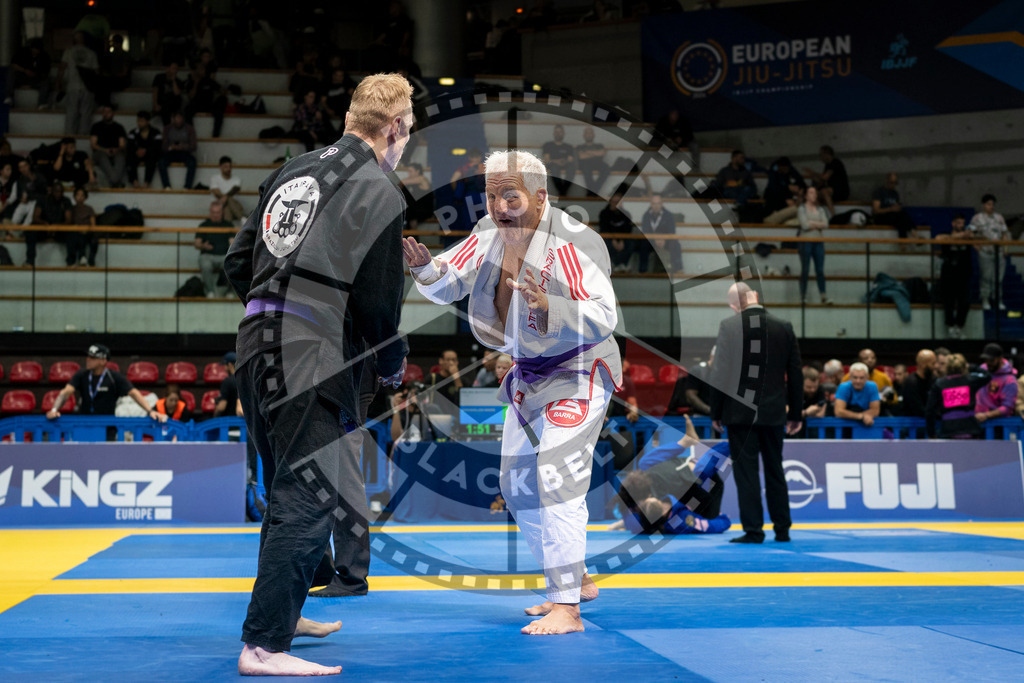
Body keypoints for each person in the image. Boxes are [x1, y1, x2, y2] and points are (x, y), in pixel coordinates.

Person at [223, 73, 412, 676]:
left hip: (256, 339)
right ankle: (263, 645)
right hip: (311, 350)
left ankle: (287, 611)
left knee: (285, 488)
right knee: (309, 493)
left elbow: (236, 261)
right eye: (408, 131)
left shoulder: (292, 169)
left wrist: (272, 310)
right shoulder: (378, 186)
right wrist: (389, 364)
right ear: (395, 128)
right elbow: (381, 303)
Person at [403, 148, 621, 635]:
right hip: (527, 376)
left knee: (556, 477)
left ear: (540, 197)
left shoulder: (575, 242)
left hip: (579, 368)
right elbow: (447, 280)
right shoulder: (487, 235)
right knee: (517, 487)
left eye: (510, 196)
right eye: (491, 194)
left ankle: (567, 606)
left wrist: (553, 309)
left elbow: (605, 314)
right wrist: (423, 269)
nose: (499, 206)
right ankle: (575, 578)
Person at [710, 282, 802, 544]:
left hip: (740, 414)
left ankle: (753, 530)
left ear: (734, 305)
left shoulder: (730, 326)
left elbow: (720, 373)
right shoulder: (783, 326)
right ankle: (782, 529)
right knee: (775, 469)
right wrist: (796, 413)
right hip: (774, 412)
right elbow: (795, 373)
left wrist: (715, 411)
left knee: (747, 472)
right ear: (756, 297)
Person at [611, 415, 730, 535]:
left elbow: (632, 516)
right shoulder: (678, 520)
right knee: (700, 470)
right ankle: (732, 445)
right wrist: (723, 519)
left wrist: (622, 523)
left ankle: (685, 442)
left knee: (644, 464)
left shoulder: (630, 506)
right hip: (701, 502)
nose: (651, 500)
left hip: (684, 490)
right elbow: (710, 526)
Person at [46, 344, 168, 422]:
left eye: (93, 358)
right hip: (85, 423)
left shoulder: (113, 377)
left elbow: (134, 393)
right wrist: (54, 409)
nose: (88, 360)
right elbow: (65, 392)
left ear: (103, 361)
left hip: (107, 425)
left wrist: (150, 411)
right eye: (88, 356)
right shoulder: (82, 375)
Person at [926, 353, 991, 438]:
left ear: (947, 367)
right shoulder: (970, 381)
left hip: (948, 429)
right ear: (963, 366)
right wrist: (971, 367)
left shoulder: (939, 384)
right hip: (970, 428)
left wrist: (931, 433)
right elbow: (987, 376)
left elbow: (930, 410)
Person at [969, 194, 1010, 311]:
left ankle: (998, 299)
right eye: (988, 204)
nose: (991, 206)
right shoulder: (977, 218)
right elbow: (971, 233)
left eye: (992, 204)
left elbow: (1004, 234)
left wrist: (1006, 248)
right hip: (985, 252)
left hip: (999, 252)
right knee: (986, 277)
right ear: (983, 205)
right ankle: (985, 299)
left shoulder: (999, 217)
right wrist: (976, 246)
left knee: (998, 278)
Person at [937, 213, 975, 337]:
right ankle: (950, 326)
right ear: (953, 223)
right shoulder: (947, 234)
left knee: (965, 301)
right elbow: (939, 238)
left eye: (963, 223)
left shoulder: (968, 235)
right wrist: (960, 235)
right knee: (949, 301)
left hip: (964, 272)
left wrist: (967, 236)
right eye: (958, 223)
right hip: (949, 272)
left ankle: (959, 326)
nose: (961, 226)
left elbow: (980, 239)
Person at [57, 31, 99, 135]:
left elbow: (62, 68)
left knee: (71, 112)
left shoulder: (69, 52)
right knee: (86, 114)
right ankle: (83, 137)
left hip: (72, 86)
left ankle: (69, 137)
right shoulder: (91, 53)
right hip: (87, 87)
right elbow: (96, 72)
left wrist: (59, 82)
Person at [797, 186, 832, 305]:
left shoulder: (820, 209)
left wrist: (812, 222)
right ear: (806, 195)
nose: (814, 195)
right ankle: (803, 296)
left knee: (820, 270)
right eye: (811, 193)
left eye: (815, 193)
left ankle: (823, 295)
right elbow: (804, 225)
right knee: (805, 269)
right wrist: (818, 224)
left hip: (818, 241)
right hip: (805, 241)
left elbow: (826, 224)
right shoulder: (802, 209)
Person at [195, 201, 237, 297]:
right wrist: (203, 246)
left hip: (224, 255)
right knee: (205, 265)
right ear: (210, 212)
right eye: (213, 212)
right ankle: (210, 291)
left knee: (232, 263)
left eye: (217, 212)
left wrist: (232, 245)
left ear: (222, 212)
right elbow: (197, 243)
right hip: (208, 255)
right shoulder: (204, 225)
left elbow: (232, 242)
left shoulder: (228, 225)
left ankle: (229, 292)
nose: (215, 215)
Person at [29, 181, 73, 267]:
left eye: (61, 192)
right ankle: (30, 261)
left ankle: (70, 262)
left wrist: (57, 226)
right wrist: (45, 224)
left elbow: (69, 220)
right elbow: (35, 217)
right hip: (44, 228)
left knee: (72, 234)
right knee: (30, 232)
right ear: (52, 191)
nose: (58, 194)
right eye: (56, 191)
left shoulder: (66, 201)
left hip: (59, 230)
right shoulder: (43, 200)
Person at [974, 343, 1018, 424]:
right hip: (978, 423)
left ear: (1000, 358)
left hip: (998, 426)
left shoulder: (1009, 380)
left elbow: (1007, 408)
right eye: (986, 360)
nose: (988, 363)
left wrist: (986, 415)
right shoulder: (981, 371)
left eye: (991, 360)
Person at [639, 194, 680, 274]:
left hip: (666, 241)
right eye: (654, 203)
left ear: (661, 204)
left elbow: (672, 231)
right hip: (651, 241)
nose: (656, 206)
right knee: (643, 244)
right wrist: (654, 241)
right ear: (651, 204)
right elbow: (645, 232)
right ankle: (643, 270)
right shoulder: (646, 216)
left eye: (658, 203)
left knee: (675, 244)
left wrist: (664, 240)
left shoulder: (669, 215)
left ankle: (678, 269)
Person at [4, 38, 52, 108]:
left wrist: (34, 78)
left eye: (37, 50)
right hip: (22, 77)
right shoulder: (23, 52)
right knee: (11, 72)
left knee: (46, 81)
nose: (35, 51)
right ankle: (9, 96)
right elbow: (13, 64)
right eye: (34, 49)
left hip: (35, 80)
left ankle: (41, 102)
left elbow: (45, 73)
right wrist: (24, 70)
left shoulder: (44, 57)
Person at [89, 105, 128, 188]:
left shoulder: (119, 127)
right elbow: (93, 145)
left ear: (113, 113)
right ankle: (115, 181)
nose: (106, 114)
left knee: (121, 157)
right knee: (102, 156)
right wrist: (105, 150)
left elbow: (122, 145)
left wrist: (115, 150)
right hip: (100, 152)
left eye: (108, 112)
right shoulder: (96, 126)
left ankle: (114, 180)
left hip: (115, 152)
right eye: (104, 112)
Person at [186, 62, 227, 138]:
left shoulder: (209, 81)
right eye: (199, 69)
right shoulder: (191, 82)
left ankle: (215, 135)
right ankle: (191, 134)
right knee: (187, 110)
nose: (201, 71)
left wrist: (222, 91)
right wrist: (196, 83)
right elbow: (191, 96)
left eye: (202, 69)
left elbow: (221, 90)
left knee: (219, 112)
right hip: (196, 105)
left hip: (208, 105)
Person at [803, 145, 848, 215]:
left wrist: (813, 172)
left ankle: (833, 215)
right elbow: (821, 181)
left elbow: (825, 177)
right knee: (814, 195)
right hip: (832, 190)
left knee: (824, 192)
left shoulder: (835, 163)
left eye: (821, 155)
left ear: (826, 154)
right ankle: (818, 215)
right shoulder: (827, 165)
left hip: (840, 190)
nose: (820, 157)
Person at [871, 173, 918, 240]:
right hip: (881, 217)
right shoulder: (879, 192)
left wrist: (896, 208)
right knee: (901, 217)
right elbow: (876, 210)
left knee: (901, 218)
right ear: (887, 181)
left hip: (894, 216)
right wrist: (890, 209)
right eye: (891, 183)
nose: (893, 185)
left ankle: (903, 243)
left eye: (895, 183)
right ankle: (914, 235)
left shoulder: (895, 193)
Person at [833, 362, 881, 427]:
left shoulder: (872, 386)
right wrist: (860, 416)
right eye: (855, 377)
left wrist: (860, 416)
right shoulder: (843, 387)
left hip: (867, 424)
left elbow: (875, 411)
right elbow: (838, 412)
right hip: (846, 425)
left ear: (867, 377)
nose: (858, 381)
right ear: (850, 377)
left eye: (861, 378)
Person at [158, 111, 197, 189]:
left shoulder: (189, 128)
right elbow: (163, 146)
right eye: (176, 118)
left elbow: (193, 146)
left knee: (192, 162)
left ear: (183, 119)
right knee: (161, 162)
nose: (178, 120)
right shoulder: (167, 128)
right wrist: (171, 147)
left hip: (184, 153)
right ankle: (166, 186)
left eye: (180, 118)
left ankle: (187, 186)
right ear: (173, 119)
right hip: (171, 153)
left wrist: (182, 147)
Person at [126, 111, 163, 189]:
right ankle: (135, 182)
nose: (139, 123)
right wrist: (136, 151)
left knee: (152, 158)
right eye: (138, 121)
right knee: (129, 157)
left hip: (149, 155)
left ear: (147, 121)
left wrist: (146, 151)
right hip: (136, 154)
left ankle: (147, 183)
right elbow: (129, 146)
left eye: (142, 121)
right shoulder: (133, 132)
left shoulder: (155, 132)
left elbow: (158, 147)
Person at [599, 191, 634, 273]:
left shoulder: (626, 214)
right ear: (610, 202)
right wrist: (613, 239)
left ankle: (621, 264)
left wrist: (621, 240)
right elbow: (604, 228)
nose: (615, 204)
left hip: (623, 238)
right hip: (609, 238)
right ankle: (616, 264)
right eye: (613, 202)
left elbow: (628, 229)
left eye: (617, 202)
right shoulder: (604, 213)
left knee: (631, 243)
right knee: (606, 243)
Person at [899, 349, 935, 418]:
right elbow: (918, 410)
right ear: (923, 364)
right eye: (932, 363)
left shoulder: (933, 379)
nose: (935, 366)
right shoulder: (911, 383)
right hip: (913, 423)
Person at [541, 124, 575, 196]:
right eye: (556, 132)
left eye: (560, 132)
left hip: (565, 164)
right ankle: (562, 192)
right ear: (554, 133)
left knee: (572, 168)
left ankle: (563, 191)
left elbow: (570, 160)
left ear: (563, 133)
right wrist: (557, 162)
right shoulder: (548, 145)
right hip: (552, 165)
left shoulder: (568, 147)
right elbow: (546, 160)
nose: (558, 134)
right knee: (554, 167)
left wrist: (563, 162)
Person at [576, 125, 609, 196]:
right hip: (585, 164)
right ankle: (593, 192)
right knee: (586, 167)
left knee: (607, 168)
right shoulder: (580, 146)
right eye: (587, 133)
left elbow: (602, 153)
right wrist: (595, 153)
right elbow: (581, 156)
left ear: (593, 135)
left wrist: (587, 152)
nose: (589, 135)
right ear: (584, 135)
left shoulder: (599, 145)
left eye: (590, 133)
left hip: (597, 163)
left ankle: (593, 191)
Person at [70, 186, 99, 267]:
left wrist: (89, 229)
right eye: (78, 195)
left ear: (85, 197)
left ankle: (91, 261)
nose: (80, 197)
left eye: (82, 195)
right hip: (76, 231)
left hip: (88, 231)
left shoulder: (89, 209)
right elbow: (70, 222)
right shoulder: (71, 209)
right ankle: (81, 258)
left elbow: (93, 223)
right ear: (75, 197)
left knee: (94, 239)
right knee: (79, 237)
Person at [210, 156, 244, 222]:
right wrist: (226, 197)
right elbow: (216, 193)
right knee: (227, 205)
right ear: (220, 167)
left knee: (228, 203)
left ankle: (228, 228)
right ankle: (242, 218)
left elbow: (234, 190)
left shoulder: (237, 179)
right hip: (219, 206)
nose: (229, 169)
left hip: (235, 206)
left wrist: (226, 197)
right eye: (226, 167)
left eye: (230, 167)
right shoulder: (215, 178)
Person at [212, 352, 239, 417]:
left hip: (228, 422)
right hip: (243, 422)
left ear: (229, 365)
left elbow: (222, 406)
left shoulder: (227, 382)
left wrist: (214, 417)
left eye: (224, 365)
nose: (224, 368)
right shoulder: (244, 380)